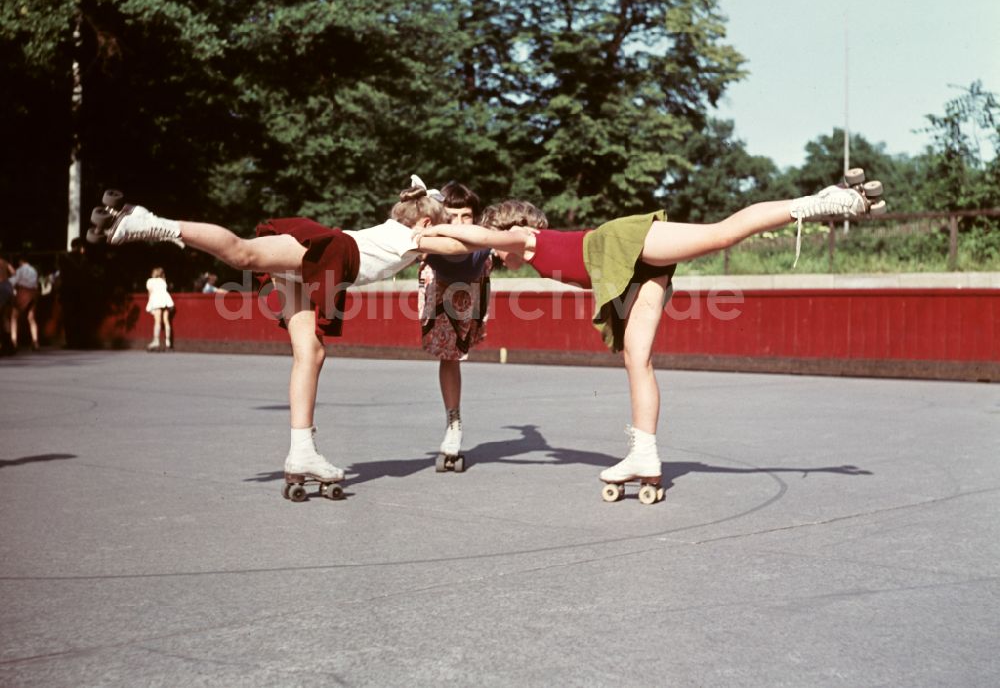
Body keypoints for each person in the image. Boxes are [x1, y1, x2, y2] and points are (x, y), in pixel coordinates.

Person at [415, 178, 887, 501]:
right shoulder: (524, 246)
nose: (497, 256)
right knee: (637, 358)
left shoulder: (521, 237)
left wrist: (418, 233)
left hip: (620, 246)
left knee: (720, 235)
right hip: (629, 271)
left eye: (490, 241)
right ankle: (645, 452)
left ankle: (821, 202)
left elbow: (470, 240)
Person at [88, 178, 473, 492]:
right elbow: (461, 244)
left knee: (311, 353)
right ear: (426, 224)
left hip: (322, 267)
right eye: (441, 222)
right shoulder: (414, 237)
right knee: (243, 254)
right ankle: (147, 221)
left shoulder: (400, 230)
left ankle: (302, 451)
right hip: (329, 253)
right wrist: (519, 238)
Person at [416, 179, 493, 468]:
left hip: (470, 290)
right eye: (452, 217)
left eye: (466, 216)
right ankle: (454, 422)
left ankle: (454, 421)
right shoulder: (432, 240)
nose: (459, 223)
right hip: (440, 289)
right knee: (449, 356)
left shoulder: (483, 243)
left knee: (456, 354)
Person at [9, 256, 41, 351]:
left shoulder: (20, 270)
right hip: (33, 293)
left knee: (14, 317)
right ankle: (35, 341)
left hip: (23, 292)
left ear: (20, 261)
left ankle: (13, 341)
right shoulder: (34, 270)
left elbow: (14, 281)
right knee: (31, 317)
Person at [145, 267, 175, 351]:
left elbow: (150, 294)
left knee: (157, 321)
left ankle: (156, 341)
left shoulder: (150, 281)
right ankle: (168, 343)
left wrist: (150, 305)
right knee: (166, 321)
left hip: (157, 301)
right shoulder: (163, 281)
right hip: (165, 300)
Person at [0, 254, 14, 354]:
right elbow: (13, 272)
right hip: (7, 287)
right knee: (5, 317)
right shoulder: (4, 261)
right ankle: (9, 345)